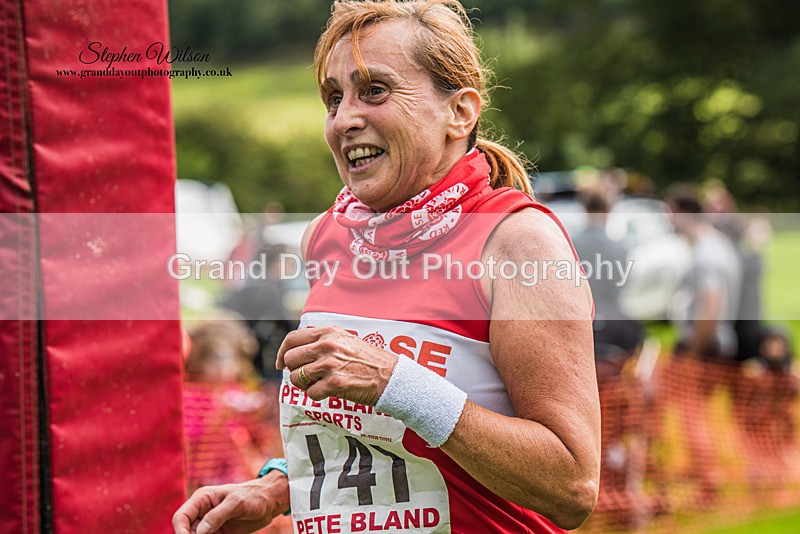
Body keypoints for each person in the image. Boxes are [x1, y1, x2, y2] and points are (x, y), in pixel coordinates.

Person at [173, 2, 600, 533]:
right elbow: (373, 441)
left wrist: (394, 381)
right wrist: (279, 485)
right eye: (333, 97)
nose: (345, 119)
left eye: (374, 90)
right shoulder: (325, 236)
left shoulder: (516, 241)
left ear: (459, 112)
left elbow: (571, 486)